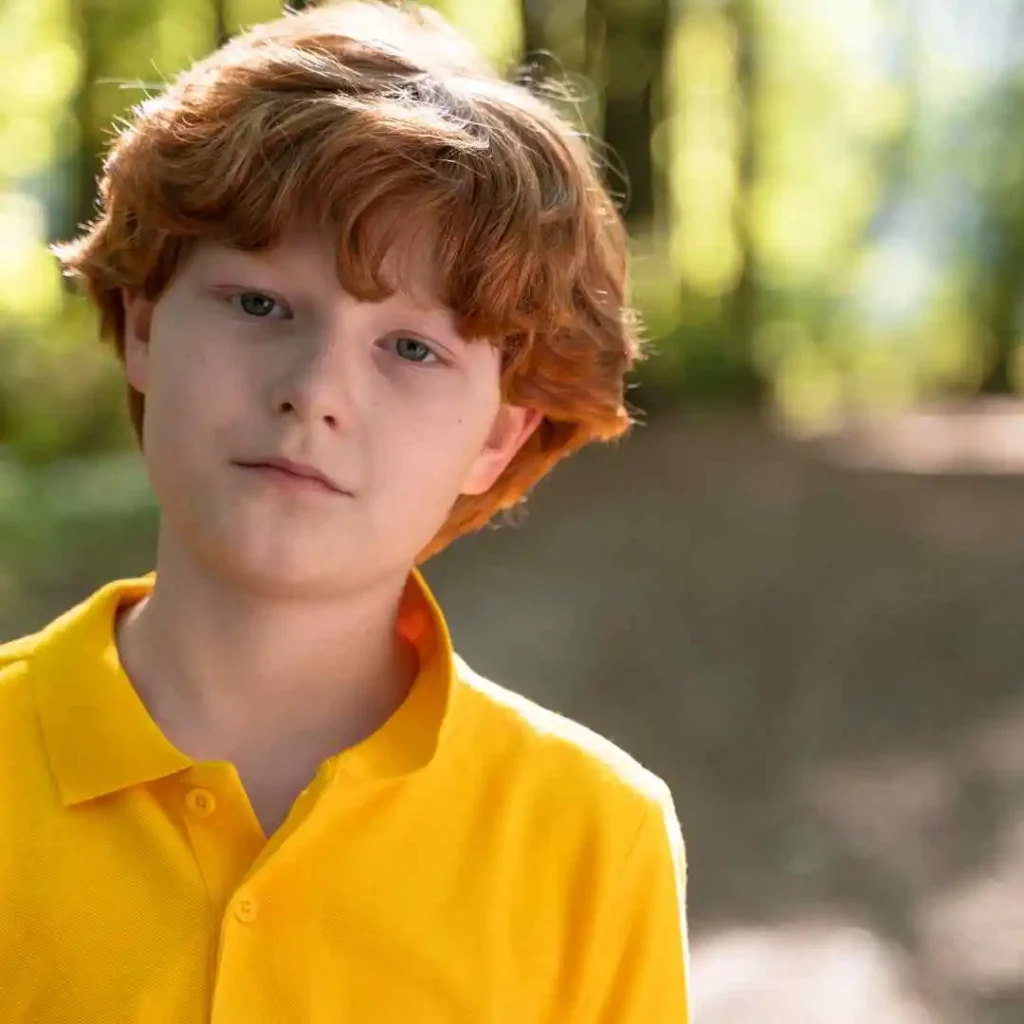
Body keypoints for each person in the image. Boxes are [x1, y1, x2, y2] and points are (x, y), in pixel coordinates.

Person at [0, 2, 689, 1020]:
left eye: (412, 348)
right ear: (144, 326)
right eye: (259, 303)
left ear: (498, 436)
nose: (316, 388)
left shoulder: (592, 834)